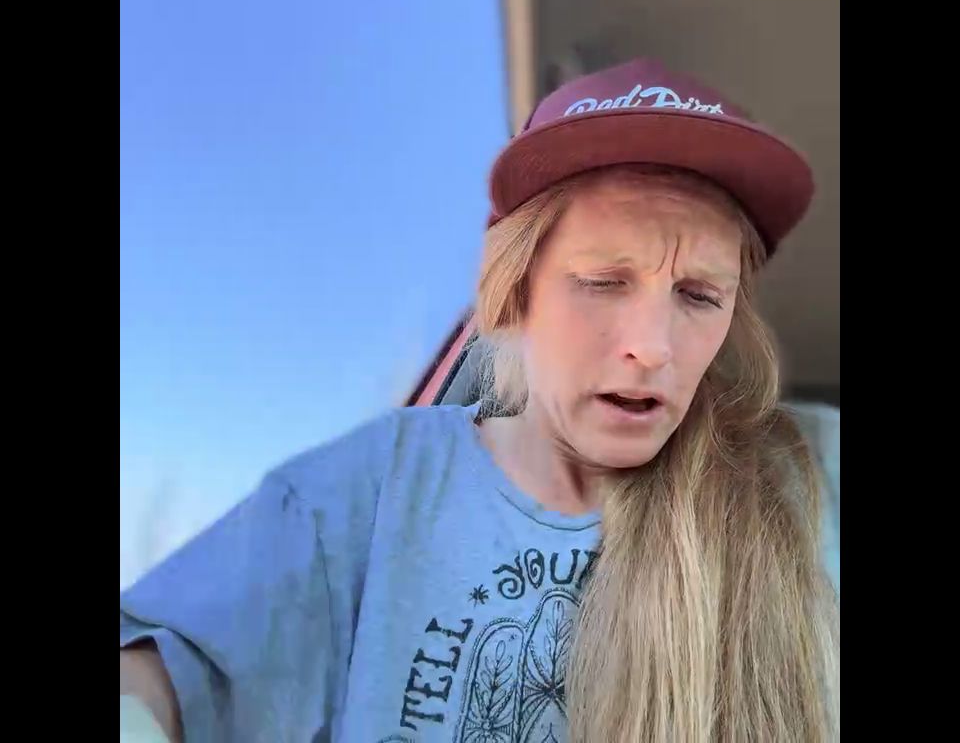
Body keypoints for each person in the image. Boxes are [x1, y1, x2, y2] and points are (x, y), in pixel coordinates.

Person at [120, 58, 840, 743]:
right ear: (516, 292)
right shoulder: (379, 485)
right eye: (603, 282)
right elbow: (161, 675)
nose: (653, 347)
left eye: (700, 295)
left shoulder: (805, 477)